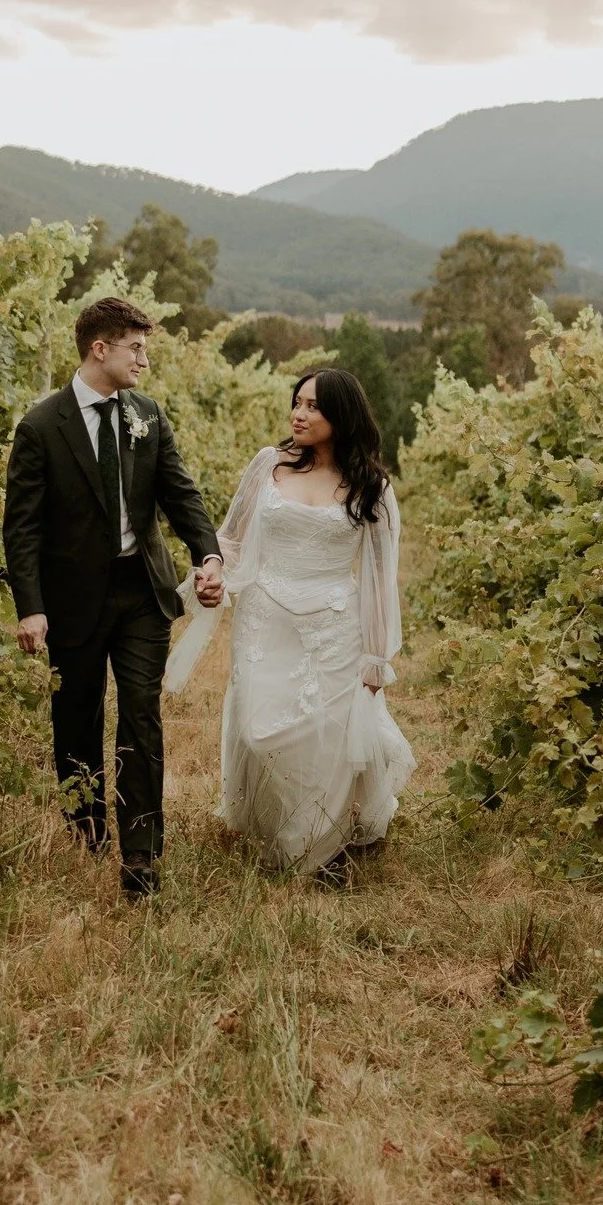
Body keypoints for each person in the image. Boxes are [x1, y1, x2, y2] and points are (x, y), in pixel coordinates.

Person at [2, 295, 224, 897]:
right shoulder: (41, 426)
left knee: (140, 717)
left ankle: (142, 856)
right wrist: (31, 605)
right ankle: (86, 833)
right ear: (100, 349)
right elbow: (22, 527)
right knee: (76, 719)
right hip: (71, 600)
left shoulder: (147, 415)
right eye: (136, 348)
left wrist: (208, 556)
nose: (144, 360)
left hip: (140, 594)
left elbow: (181, 495)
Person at [205, 366, 415, 874]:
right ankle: (271, 822)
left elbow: (379, 578)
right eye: (297, 403)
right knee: (259, 731)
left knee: (323, 736)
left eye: (313, 406)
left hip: (332, 624)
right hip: (264, 617)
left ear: (341, 416)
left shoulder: (371, 488)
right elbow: (230, 537)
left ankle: (318, 840)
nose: (299, 414)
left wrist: (375, 654)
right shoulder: (269, 466)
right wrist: (212, 570)